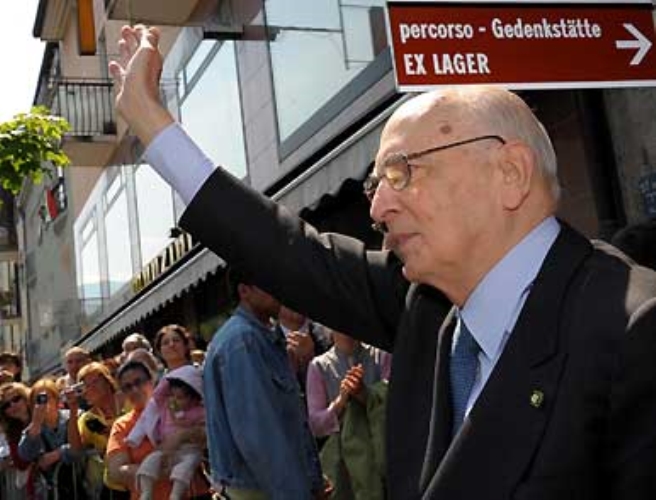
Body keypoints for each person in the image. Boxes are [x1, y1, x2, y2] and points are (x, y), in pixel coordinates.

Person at [110, 25, 656, 499]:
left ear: (509, 173)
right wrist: (152, 124)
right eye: (377, 184)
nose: (377, 207)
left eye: (403, 172)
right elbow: (286, 250)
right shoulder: (426, 307)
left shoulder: (634, 332)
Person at [203, 273, 324, 498]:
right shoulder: (243, 341)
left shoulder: (258, 337)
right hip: (261, 487)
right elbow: (259, 435)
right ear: (244, 291)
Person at [106, 361, 208, 500]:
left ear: (152, 380)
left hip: (194, 494)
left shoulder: (184, 406)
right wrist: (162, 469)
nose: (134, 389)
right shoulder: (122, 425)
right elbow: (117, 471)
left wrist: (182, 436)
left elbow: (207, 436)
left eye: (139, 382)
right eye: (127, 387)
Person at [65, 362, 128, 499]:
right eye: (85, 386)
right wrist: (73, 410)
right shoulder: (88, 419)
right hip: (114, 484)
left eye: (95, 382)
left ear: (108, 382)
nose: (91, 388)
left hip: (141, 472)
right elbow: (75, 448)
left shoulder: (129, 399)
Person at [19, 378, 86, 499]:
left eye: (47, 398)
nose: (43, 404)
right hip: (53, 492)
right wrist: (36, 424)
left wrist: (58, 453)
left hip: (83, 484)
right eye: (38, 400)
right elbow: (25, 455)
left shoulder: (77, 415)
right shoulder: (33, 428)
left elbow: (80, 448)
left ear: (57, 400)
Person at [0, 382, 32, 498]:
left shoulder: (45, 414)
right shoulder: (12, 432)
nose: (13, 405)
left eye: (16, 399)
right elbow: (21, 464)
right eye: (6, 405)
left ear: (26, 397)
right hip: (37, 489)